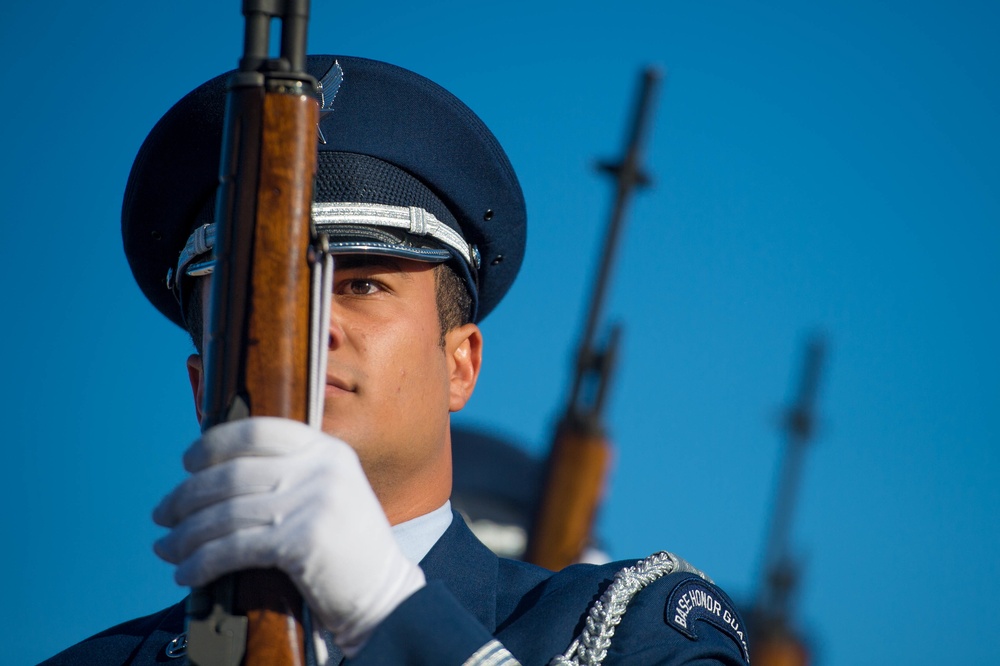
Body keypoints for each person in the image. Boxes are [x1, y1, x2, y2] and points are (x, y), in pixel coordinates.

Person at [42, 55, 750, 666]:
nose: (312, 330)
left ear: (460, 364)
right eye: (260, 300)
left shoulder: (623, 632)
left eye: (362, 285)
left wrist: (390, 614)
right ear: (202, 388)